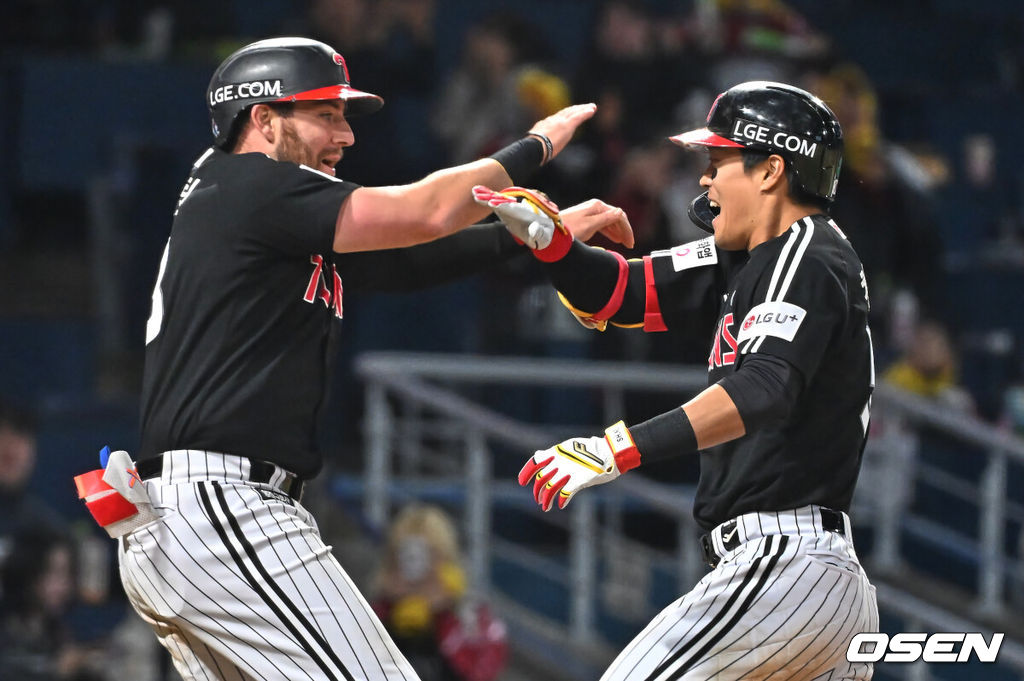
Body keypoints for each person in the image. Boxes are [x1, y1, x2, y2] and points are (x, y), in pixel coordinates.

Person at [111, 36, 630, 681]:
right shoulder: (245, 182)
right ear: (263, 119)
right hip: (224, 511)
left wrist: (532, 235)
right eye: (326, 114)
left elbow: (406, 259)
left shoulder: (258, 211)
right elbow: (429, 210)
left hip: (189, 519)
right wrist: (535, 147)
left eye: (345, 116)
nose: (346, 135)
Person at [478, 81, 879, 679]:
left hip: (785, 564)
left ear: (771, 170)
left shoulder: (806, 251)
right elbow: (620, 290)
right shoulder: (745, 259)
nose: (704, 180)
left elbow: (764, 388)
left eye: (717, 162)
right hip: (808, 580)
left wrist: (616, 448)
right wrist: (553, 245)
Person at [370, 504, 506, 681]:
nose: (417, 570)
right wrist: (389, 618)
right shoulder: (372, 615)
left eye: (427, 556)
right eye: (407, 556)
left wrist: (444, 615)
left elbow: (482, 672)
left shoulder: (474, 620)